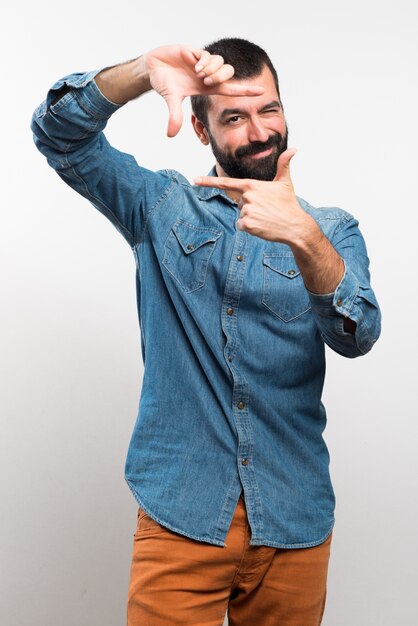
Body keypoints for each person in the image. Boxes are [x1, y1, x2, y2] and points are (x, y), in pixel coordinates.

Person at [31, 38, 381, 626]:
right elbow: (58, 134)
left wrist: (302, 237)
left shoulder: (332, 229)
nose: (259, 132)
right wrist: (143, 72)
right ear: (201, 131)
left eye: (269, 110)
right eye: (234, 118)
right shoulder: (160, 205)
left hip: (294, 521)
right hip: (183, 517)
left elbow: (358, 333)